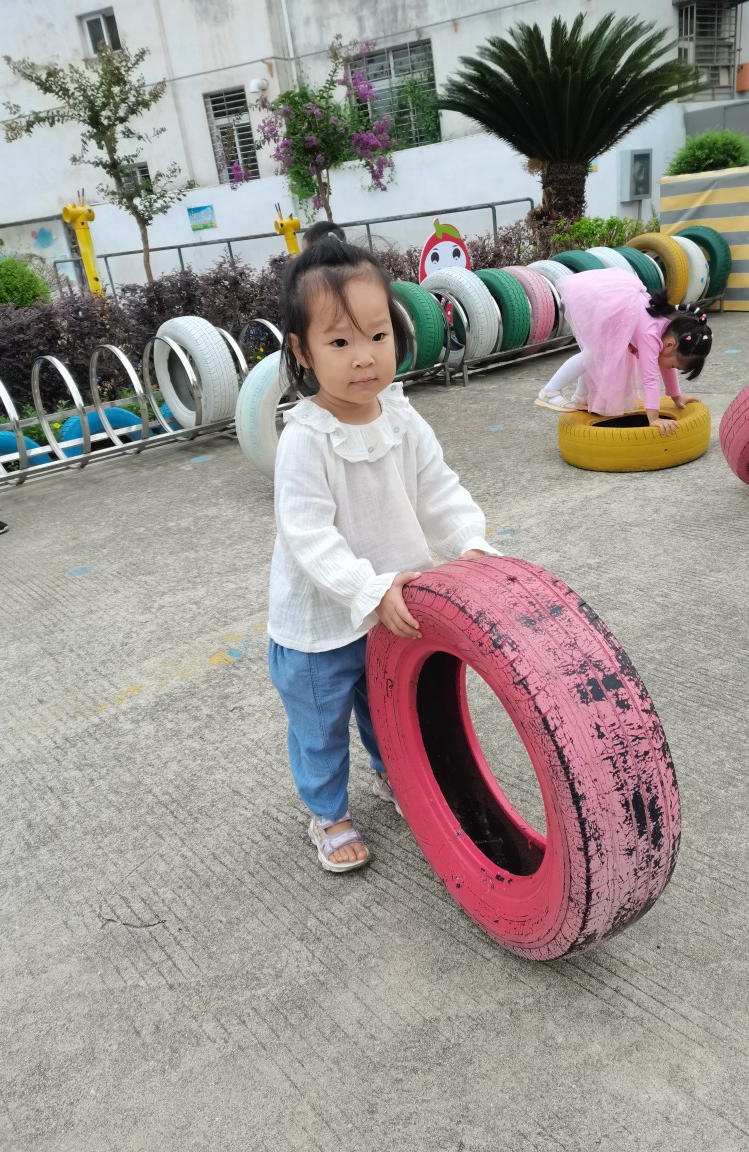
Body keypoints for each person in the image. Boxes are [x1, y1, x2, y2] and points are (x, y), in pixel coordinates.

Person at [268, 236, 497, 873]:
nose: (364, 357)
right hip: (322, 625)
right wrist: (367, 589)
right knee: (320, 727)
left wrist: (471, 545)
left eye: (377, 335)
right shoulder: (306, 439)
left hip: (395, 607)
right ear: (303, 352)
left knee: (392, 705)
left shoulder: (401, 417)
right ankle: (328, 812)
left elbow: (438, 492)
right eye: (340, 342)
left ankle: (396, 773)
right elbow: (309, 536)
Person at [537, 269, 712, 435]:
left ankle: (581, 396)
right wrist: (654, 418)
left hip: (612, 306)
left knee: (598, 355)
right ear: (670, 345)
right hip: (598, 299)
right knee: (592, 354)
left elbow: (666, 368)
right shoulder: (651, 336)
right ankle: (550, 391)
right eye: (674, 365)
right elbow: (650, 378)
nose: (671, 368)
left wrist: (676, 397)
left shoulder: (666, 332)